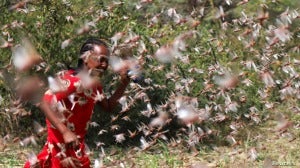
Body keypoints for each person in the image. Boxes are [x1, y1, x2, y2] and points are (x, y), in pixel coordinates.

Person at [24, 38, 130, 168]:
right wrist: (65, 132)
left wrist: (124, 84)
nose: (104, 65)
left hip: (75, 147)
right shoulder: (71, 81)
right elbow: (44, 101)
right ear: (86, 58)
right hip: (61, 146)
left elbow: (108, 106)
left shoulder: (94, 84)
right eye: (100, 59)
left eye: (106, 61)